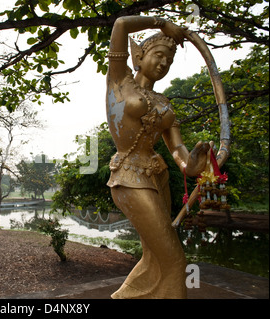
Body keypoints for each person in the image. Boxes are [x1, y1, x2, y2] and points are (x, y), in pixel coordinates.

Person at [106, 16, 210, 299]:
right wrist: (162, 24)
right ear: (139, 55)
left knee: (155, 257)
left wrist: (195, 163)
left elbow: (180, 155)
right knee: (176, 260)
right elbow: (120, 25)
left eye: (169, 60)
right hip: (128, 177)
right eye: (158, 55)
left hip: (157, 177)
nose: (164, 63)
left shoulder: (165, 105)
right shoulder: (119, 80)